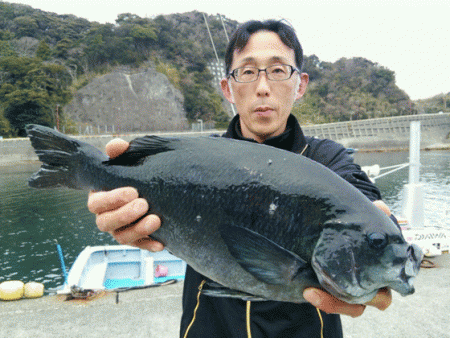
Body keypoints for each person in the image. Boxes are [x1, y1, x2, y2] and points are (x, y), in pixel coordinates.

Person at [88, 20, 392, 337]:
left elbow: (366, 201)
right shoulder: (195, 159)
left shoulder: (328, 161)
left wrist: (381, 242)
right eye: (247, 72)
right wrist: (118, 208)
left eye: (277, 70)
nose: (262, 87)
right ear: (227, 88)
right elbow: (139, 198)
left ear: (300, 85)